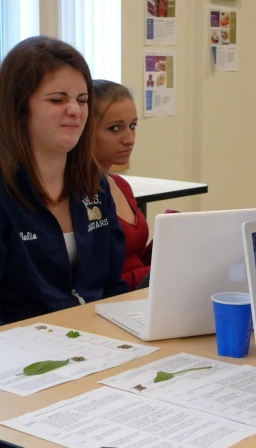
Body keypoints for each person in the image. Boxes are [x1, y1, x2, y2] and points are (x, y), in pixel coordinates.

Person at [0, 37, 129, 340]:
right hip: (21, 362)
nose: (75, 110)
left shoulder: (95, 184)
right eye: (57, 100)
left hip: (96, 350)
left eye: (82, 100)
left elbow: (112, 290)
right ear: (19, 108)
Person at [91, 80, 151, 290]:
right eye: (115, 128)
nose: (129, 139)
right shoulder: (82, 194)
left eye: (132, 126)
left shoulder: (121, 185)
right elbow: (99, 280)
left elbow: (135, 256)